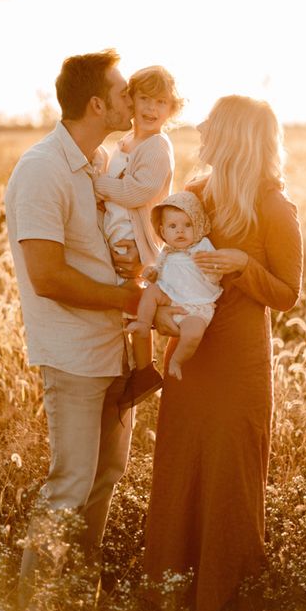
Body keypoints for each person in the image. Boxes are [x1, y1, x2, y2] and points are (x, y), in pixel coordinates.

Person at [143, 95, 303, 611]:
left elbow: (287, 294)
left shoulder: (276, 207)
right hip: (191, 361)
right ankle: (167, 603)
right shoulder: (195, 196)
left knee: (232, 481)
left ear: (234, 136)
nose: (201, 132)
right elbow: (169, 261)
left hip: (239, 365)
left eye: (212, 126)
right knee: (179, 469)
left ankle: (226, 609)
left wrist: (242, 265)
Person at [4, 49, 143, 611]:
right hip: (74, 356)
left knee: (105, 478)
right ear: (96, 104)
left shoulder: (101, 162)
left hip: (115, 351)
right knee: (68, 488)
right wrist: (131, 298)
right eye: (123, 93)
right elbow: (47, 276)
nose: (132, 101)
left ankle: (76, 602)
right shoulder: (41, 169)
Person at [92, 65, 183, 406]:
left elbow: (138, 192)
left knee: (134, 295)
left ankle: (143, 370)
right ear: (130, 100)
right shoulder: (126, 142)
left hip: (136, 235)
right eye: (144, 98)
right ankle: (128, 369)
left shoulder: (158, 146)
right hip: (117, 229)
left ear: (172, 109)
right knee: (123, 302)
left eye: (161, 102)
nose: (151, 108)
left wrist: (98, 186)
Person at [127, 191, 223, 381]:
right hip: (171, 298)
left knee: (193, 333)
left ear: (199, 225)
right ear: (163, 232)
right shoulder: (167, 252)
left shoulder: (202, 246)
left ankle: (177, 361)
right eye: (173, 226)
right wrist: (151, 273)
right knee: (151, 291)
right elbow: (159, 274)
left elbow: (216, 273)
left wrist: (211, 268)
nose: (180, 231)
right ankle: (144, 325)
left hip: (197, 306)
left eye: (188, 225)